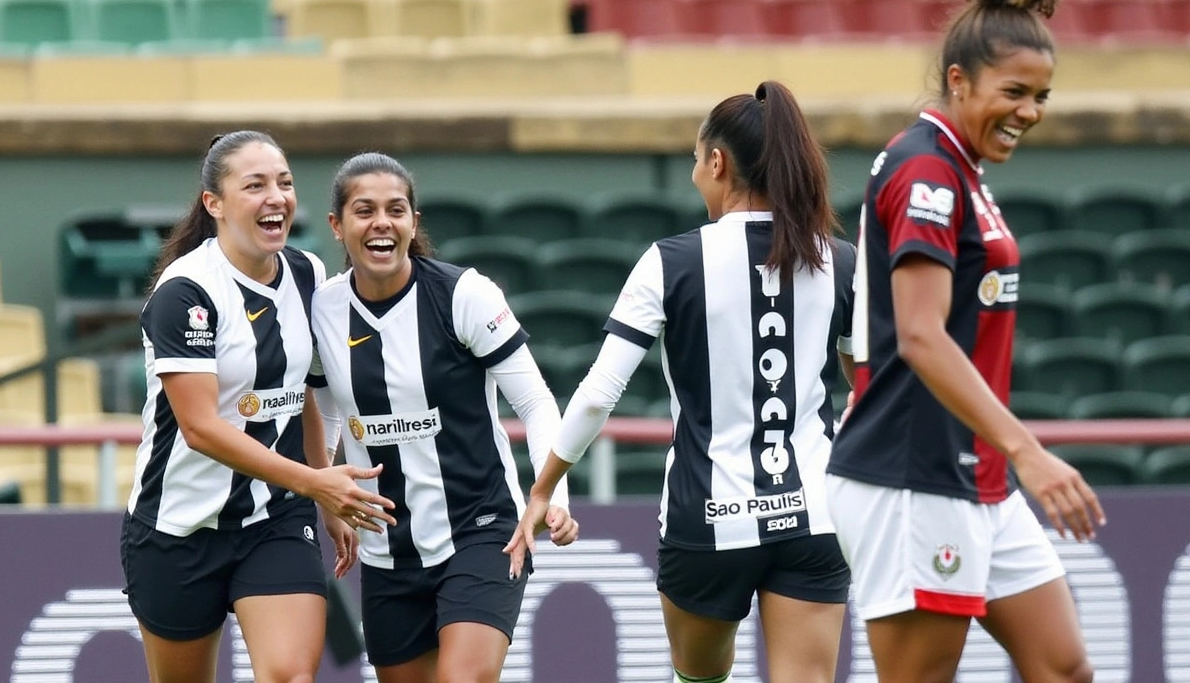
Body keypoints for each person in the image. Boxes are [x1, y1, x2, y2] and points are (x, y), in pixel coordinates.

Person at [507, 80, 855, 683]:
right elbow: (870, 388)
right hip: (816, 517)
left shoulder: (671, 259)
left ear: (717, 163)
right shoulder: (840, 260)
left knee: (699, 679)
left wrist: (545, 487)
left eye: (697, 161)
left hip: (707, 521)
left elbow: (597, 395)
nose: (697, 175)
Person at [825, 0, 1108, 681]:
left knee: (1064, 667)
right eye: (1013, 92)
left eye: (1041, 96)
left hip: (969, 470)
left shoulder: (960, 170)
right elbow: (920, 336)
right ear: (958, 82)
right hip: (911, 471)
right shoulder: (926, 172)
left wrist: (1003, 456)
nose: (1030, 111)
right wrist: (1028, 452)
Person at [121, 130, 395, 683]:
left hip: (276, 518)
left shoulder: (308, 274)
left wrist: (322, 488)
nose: (277, 197)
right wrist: (315, 482)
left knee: (291, 675)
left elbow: (308, 396)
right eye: (256, 185)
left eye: (285, 182)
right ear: (214, 204)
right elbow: (200, 429)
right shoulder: (185, 292)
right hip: (177, 527)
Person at [307, 151, 580, 683]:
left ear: (414, 222)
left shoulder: (465, 295)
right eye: (364, 211)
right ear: (337, 226)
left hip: (480, 532)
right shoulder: (323, 310)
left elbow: (537, 402)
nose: (381, 222)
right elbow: (321, 407)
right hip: (389, 549)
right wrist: (324, 493)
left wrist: (550, 496)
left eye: (396, 209)